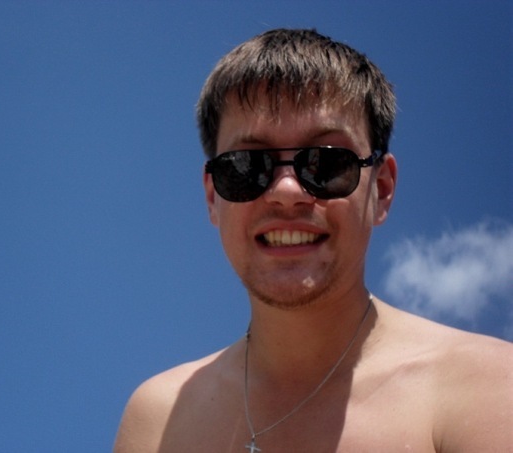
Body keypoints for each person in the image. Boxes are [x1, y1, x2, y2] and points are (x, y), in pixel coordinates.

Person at [114, 28, 512, 452]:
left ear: (381, 190)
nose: (287, 191)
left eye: (327, 163)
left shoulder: (485, 390)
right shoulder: (157, 421)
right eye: (248, 166)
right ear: (213, 196)